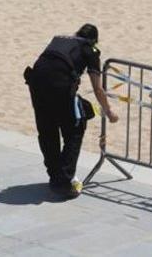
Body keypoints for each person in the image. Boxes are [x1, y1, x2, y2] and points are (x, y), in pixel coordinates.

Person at [24, 24, 118, 198]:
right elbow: (98, 89)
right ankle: (64, 181)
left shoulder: (59, 39)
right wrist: (109, 112)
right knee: (74, 130)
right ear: (94, 41)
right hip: (59, 86)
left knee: (47, 130)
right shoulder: (90, 50)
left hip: (36, 83)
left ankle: (54, 175)